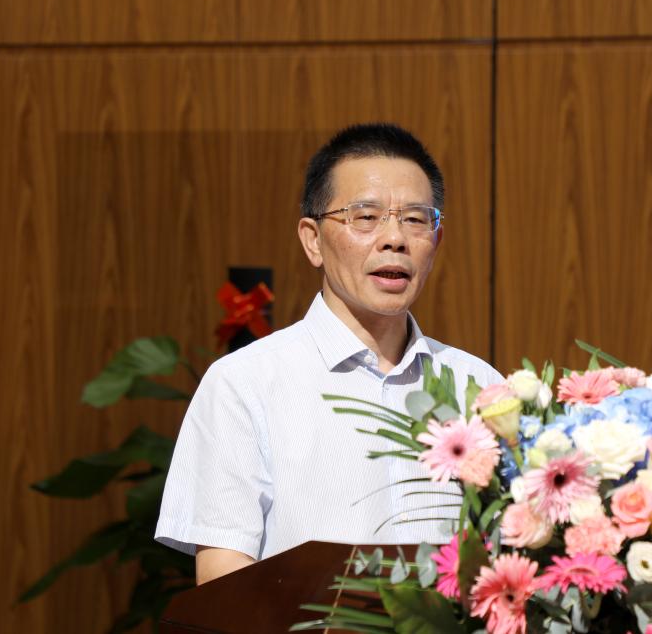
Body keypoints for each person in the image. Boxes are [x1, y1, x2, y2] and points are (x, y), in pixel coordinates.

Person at [155, 123, 504, 584]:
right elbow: (223, 577)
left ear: (435, 243)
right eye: (366, 216)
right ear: (313, 240)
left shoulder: (481, 387)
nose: (395, 238)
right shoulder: (244, 383)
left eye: (415, 219)